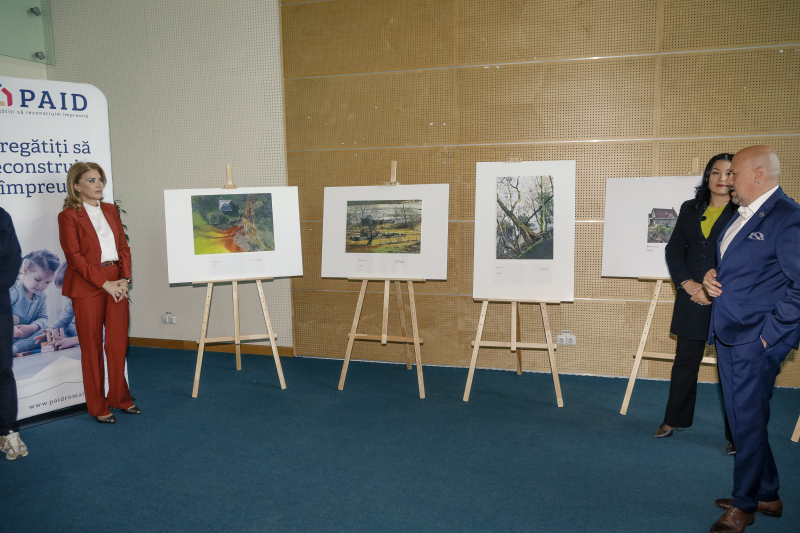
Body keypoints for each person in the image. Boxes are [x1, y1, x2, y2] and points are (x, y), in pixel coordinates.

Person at [703, 145, 799, 533]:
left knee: (746, 421)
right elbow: (741, 266)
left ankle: (743, 506)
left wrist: (767, 337)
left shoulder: (788, 217)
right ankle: (768, 494)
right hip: (730, 332)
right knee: (744, 419)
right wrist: (712, 276)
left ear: (758, 174)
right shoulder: (742, 214)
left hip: (755, 339)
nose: (727, 182)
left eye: (734, 174)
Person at [657, 154, 736, 455]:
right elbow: (674, 249)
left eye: (728, 173)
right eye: (715, 172)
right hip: (691, 297)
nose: (721, 178)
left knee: (730, 370)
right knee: (685, 362)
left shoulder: (744, 211)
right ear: (707, 176)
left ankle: (736, 434)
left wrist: (711, 290)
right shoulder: (690, 208)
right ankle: (673, 419)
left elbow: (741, 259)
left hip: (726, 299)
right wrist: (686, 283)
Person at [58, 161, 141, 423]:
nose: (99, 184)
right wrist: (104, 284)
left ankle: (120, 398)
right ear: (76, 186)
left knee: (117, 343)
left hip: (116, 280)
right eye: (91, 180)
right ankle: (98, 406)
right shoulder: (68, 216)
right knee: (91, 347)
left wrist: (124, 279)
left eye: (100, 179)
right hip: (87, 284)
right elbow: (74, 257)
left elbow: (123, 247)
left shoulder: (110, 210)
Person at [0, 207, 27, 459]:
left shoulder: (1, 216)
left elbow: (13, 257)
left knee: (3, 371)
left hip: (0, 308)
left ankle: (8, 432)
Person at [10, 250, 60, 354]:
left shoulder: (41, 295)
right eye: (37, 279)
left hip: (24, 337)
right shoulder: (13, 290)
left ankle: (15, 349)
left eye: (47, 282)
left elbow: (43, 317)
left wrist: (32, 328)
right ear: (25, 271)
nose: (41, 286)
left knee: (48, 331)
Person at [34, 262, 80, 350]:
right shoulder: (72, 302)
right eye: (67, 296)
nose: (70, 299)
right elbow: (62, 321)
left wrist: (76, 340)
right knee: (67, 328)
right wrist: (51, 329)